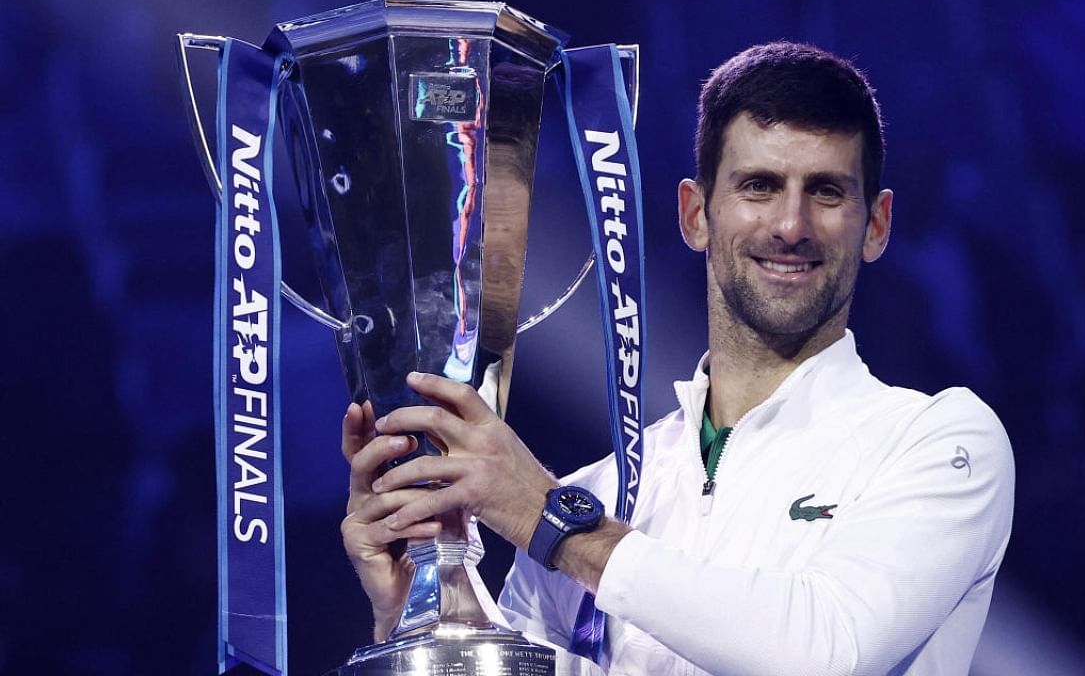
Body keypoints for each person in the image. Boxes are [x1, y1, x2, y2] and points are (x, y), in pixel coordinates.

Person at [340, 41, 1015, 675]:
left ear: (877, 225)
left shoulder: (937, 442)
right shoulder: (601, 492)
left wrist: (550, 519)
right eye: (758, 185)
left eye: (827, 191)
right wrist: (423, 609)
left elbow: (822, 652)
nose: (790, 225)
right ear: (695, 215)